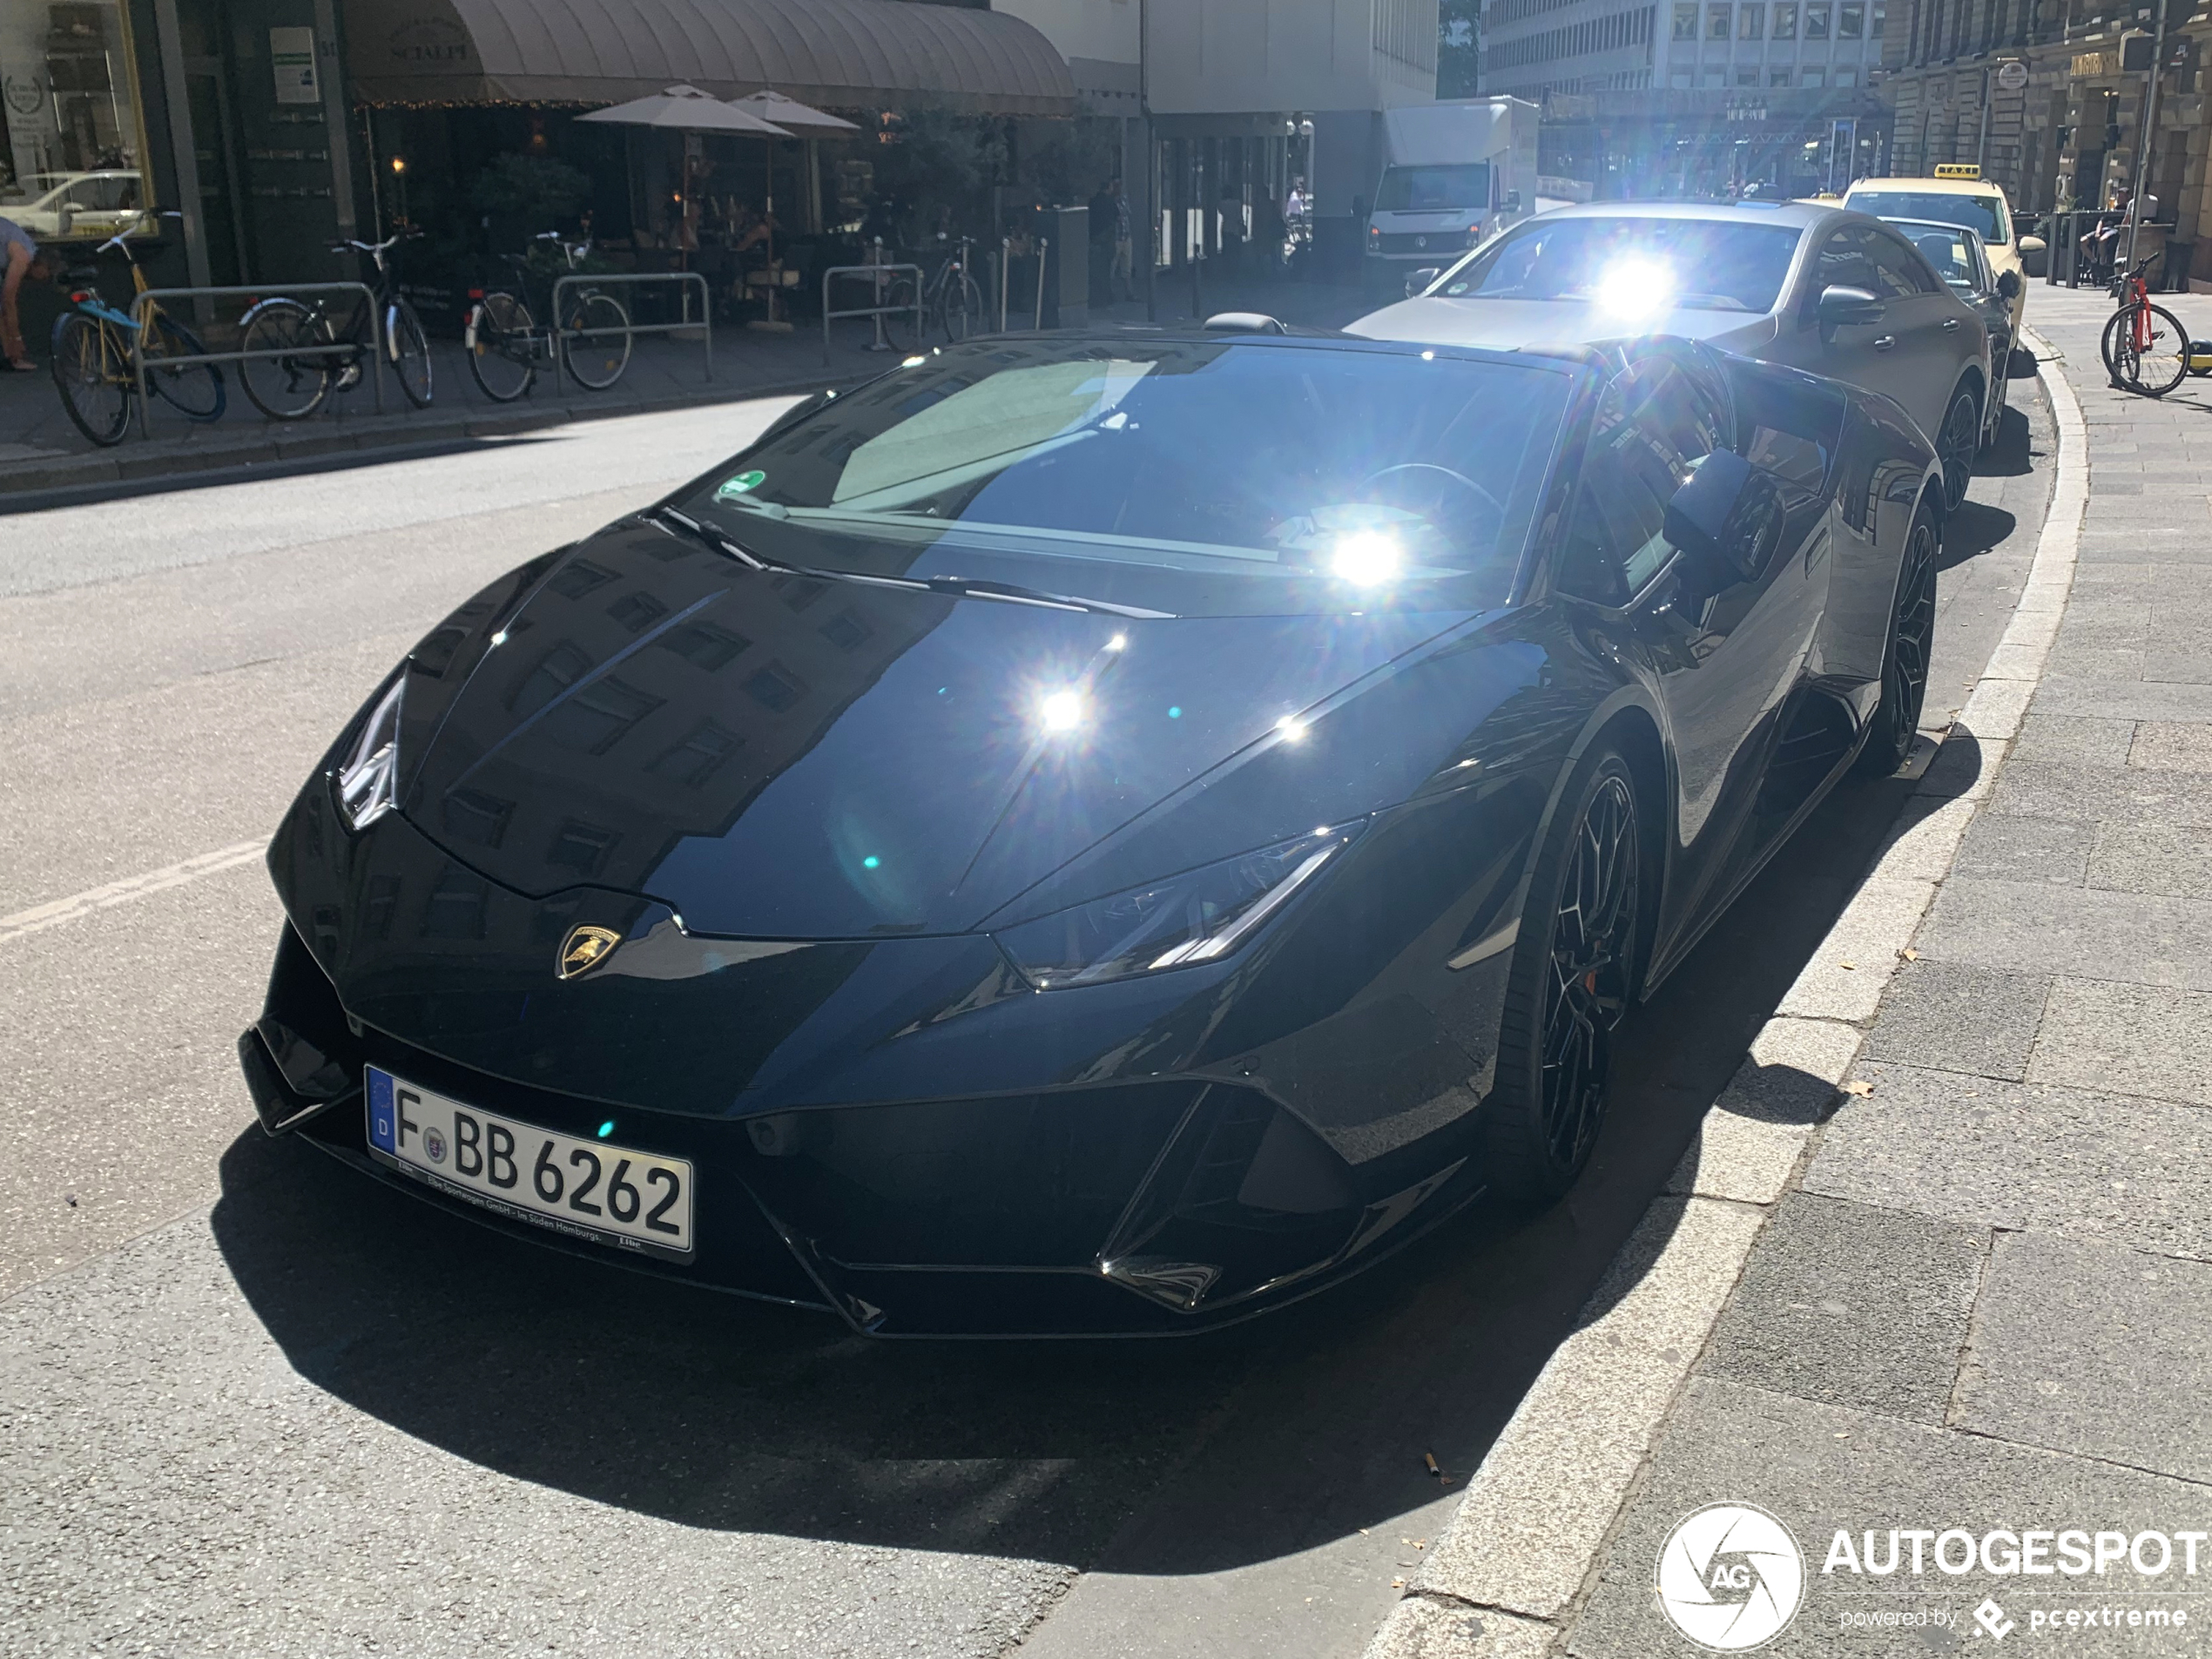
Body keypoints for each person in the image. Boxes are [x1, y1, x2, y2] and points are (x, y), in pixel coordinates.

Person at [2, 214, 63, 373]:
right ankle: (13, 355)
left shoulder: (27, 246)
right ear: (42, 265)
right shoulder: (23, 257)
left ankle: (12, 357)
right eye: (46, 274)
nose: (44, 279)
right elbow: (8, 300)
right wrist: (16, 338)